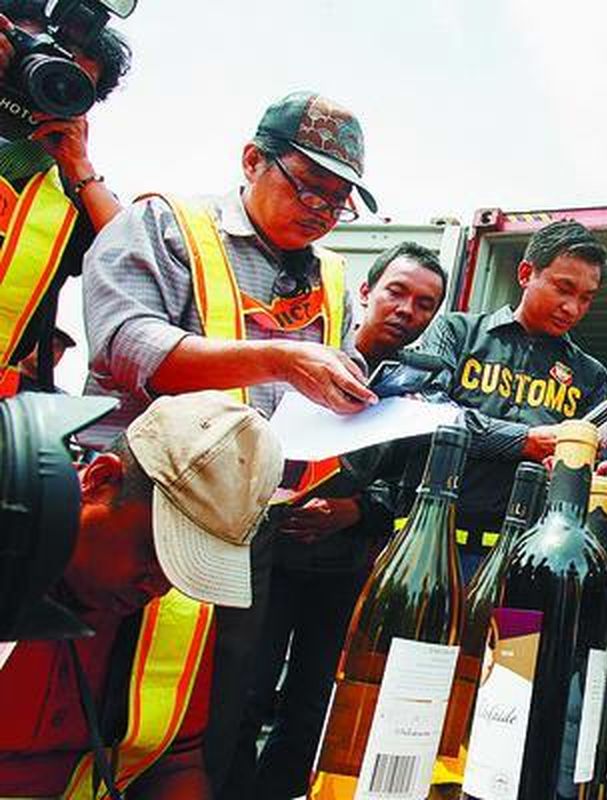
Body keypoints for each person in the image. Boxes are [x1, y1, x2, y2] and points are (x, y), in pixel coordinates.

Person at [80, 90, 379, 794]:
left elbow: (312, 387)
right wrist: (277, 359)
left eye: (339, 202)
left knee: (214, 720)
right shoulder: (163, 225)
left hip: (245, 531)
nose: (321, 210)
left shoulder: (333, 275)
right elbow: (127, 344)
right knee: (87, 706)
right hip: (130, 514)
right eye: (310, 186)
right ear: (252, 160)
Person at [239, 242, 447, 799]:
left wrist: (355, 511)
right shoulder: (306, 355)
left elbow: (416, 488)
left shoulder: (425, 393)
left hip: (344, 571)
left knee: (312, 705)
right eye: (396, 292)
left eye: (425, 304)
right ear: (366, 291)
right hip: (266, 558)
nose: (407, 309)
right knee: (248, 690)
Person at [0, 391, 284, 798]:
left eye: (187, 566)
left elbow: (174, 762)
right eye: (155, 550)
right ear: (99, 481)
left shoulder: (177, 614)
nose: (161, 586)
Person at [411, 219, 607, 581]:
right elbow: (430, 416)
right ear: (525, 273)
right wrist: (526, 442)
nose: (572, 308)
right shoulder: (456, 333)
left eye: (586, 298)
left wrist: (580, 471)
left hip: (527, 563)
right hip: (430, 547)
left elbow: (602, 459)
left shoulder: (592, 376)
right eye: (563, 288)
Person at [0, 0, 129, 397]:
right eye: (30, 64)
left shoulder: (69, 196)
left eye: (66, 83)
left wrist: (80, 168)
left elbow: (138, 262)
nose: (42, 87)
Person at [15, 325, 74, 393]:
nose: (50, 351)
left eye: (57, 347)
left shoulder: (60, 398)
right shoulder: (4, 382)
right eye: (44, 342)